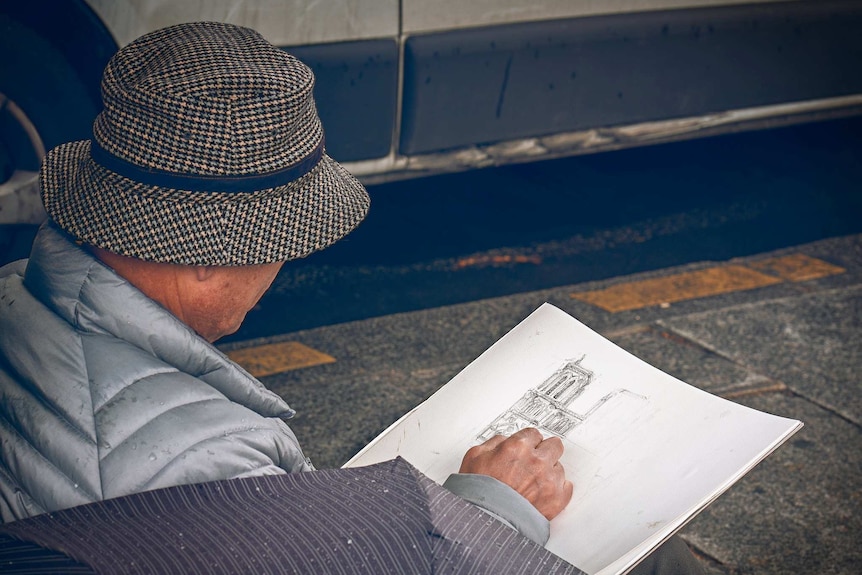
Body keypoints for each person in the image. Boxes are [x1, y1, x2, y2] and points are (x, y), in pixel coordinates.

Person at [0, 22, 702, 574]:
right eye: (283, 239)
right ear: (210, 256)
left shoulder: (13, 298)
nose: (283, 264)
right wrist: (493, 512)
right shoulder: (212, 462)